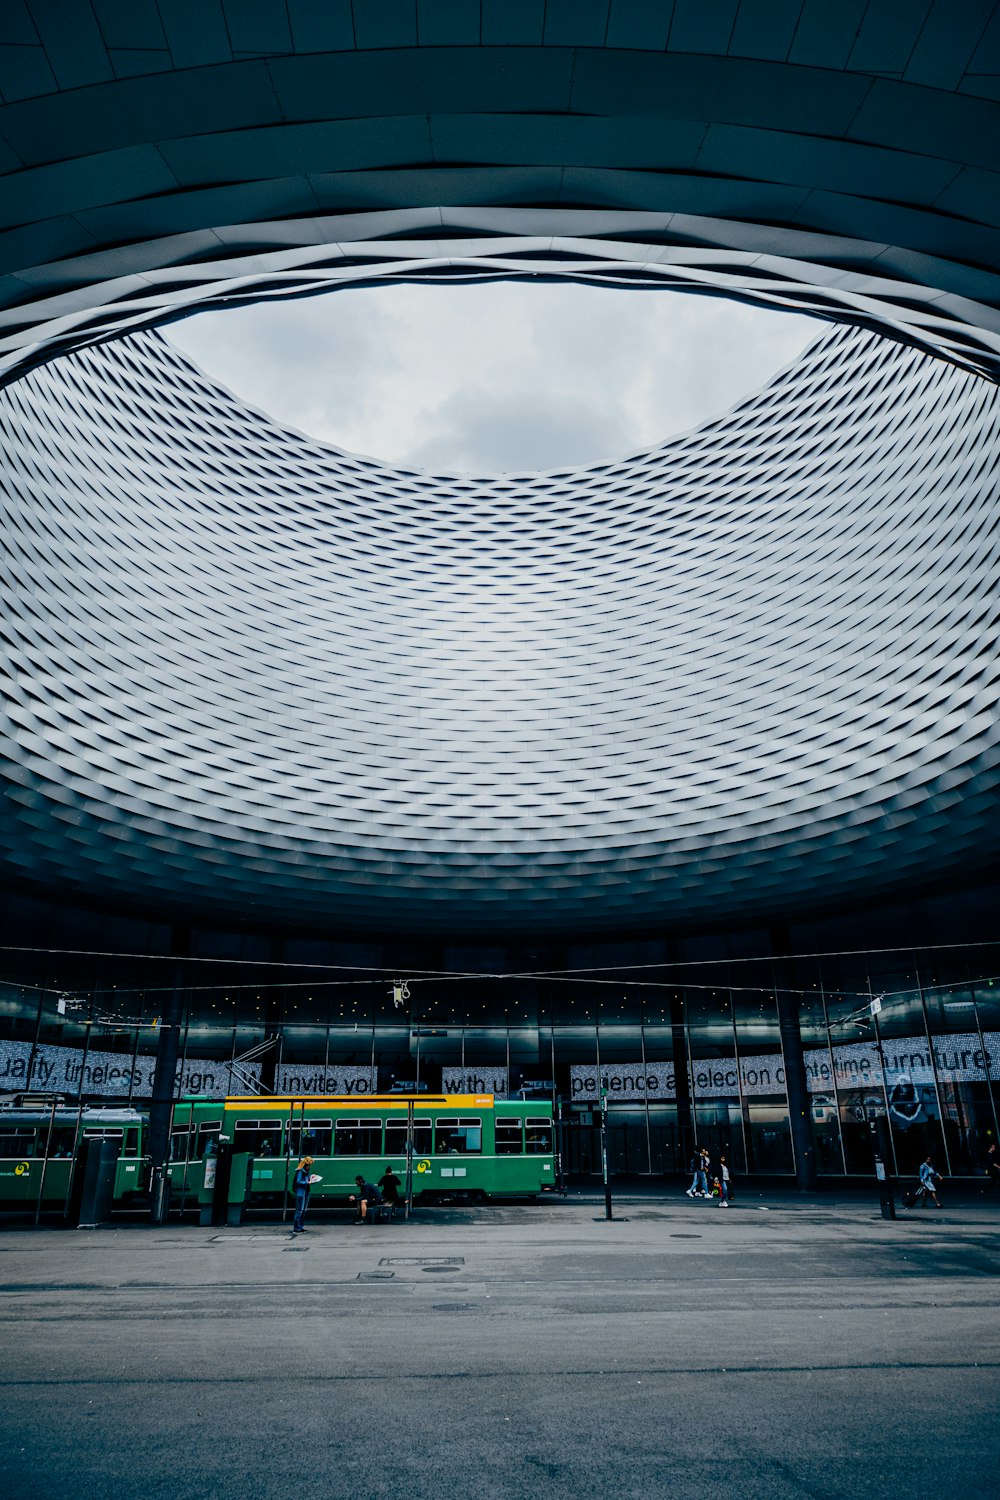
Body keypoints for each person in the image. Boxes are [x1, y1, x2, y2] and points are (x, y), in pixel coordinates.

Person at [292, 1155, 314, 1233]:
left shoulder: (305, 1172)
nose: (309, 1167)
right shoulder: (300, 1171)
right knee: (300, 1210)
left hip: (306, 1191)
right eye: (309, 1165)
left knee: (303, 1210)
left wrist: (311, 1179)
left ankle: (300, 1227)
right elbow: (298, 1181)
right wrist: (307, 1182)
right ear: (306, 1165)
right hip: (301, 1192)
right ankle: (296, 1228)